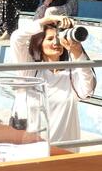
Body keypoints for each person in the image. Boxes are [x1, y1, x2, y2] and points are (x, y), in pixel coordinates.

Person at [10, 15, 95, 145]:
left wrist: (77, 52)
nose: (56, 43)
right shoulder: (30, 71)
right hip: (31, 147)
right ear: (39, 43)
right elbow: (17, 38)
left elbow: (88, 89)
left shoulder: (71, 74)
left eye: (58, 38)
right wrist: (46, 20)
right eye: (50, 39)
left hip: (64, 149)